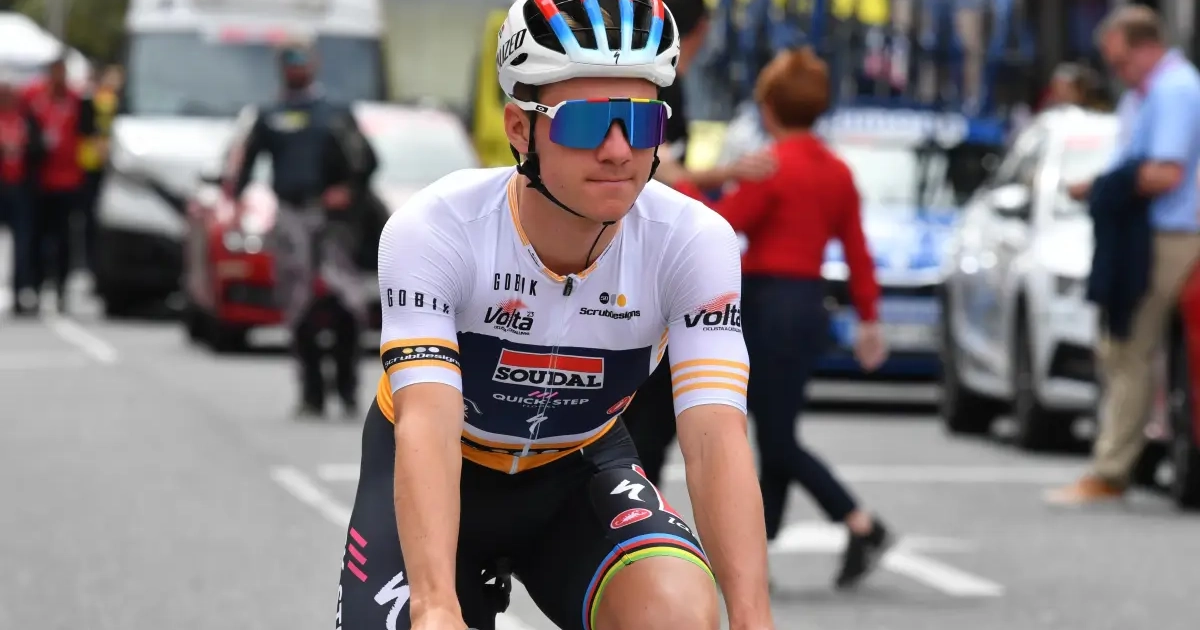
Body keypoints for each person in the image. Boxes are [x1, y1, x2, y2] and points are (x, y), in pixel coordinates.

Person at [335, 1, 775, 629]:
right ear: (520, 129)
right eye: (587, 123)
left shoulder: (692, 240)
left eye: (642, 121)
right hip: (442, 463)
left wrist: (754, 620)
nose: (619, 150)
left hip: (578, 470)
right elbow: (427, 423)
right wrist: (434, 605)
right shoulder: (437, 228)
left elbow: (716, 440)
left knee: (675, 614)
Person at [658, 46, 893, 589]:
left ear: (768, 109)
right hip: (809, 306)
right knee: (776, 429)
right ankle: (761, 548)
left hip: (765, 306)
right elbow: (857, 251)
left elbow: (719, 222)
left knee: (774, 437)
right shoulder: (837, 171)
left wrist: (676, 180)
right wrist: (869, 318)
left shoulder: (770, 166)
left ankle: (860, 523)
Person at [1048, 5, 1200, 506]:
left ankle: (1113, 469)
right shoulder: (1145, 94)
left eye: (1121, 61)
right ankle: (1121, 460)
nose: (1118, 72)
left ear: (1147, 46)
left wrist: (1102, 186)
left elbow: (1166, 172)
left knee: (1130, 345)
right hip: (1146, 230)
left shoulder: (1175, 90)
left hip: (1170, 233)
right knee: (1121, 347)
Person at [230, 39, 378, 420]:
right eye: (289, 60)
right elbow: (244, 168)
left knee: (347, 303)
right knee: (298, 306)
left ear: (315, 64)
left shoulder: (334, 114)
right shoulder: (269, 115)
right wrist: (235, 202)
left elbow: (367, 162)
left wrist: (347, 191)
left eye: (302, 59)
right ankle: (312, 393)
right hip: (290, 218)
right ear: (280, 67)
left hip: (332, 224)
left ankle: (347, 389)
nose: (296, 67)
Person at [21, 56, 93, 313]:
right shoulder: (33, 97)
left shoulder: (77, 100)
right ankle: (35, 286)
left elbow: (87, 133)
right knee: (37, 237)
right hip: (40, 181)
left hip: (69, 180)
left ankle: (61, 288)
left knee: (64, 239)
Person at [0, 71, 44, 316]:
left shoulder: (25, 119)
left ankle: (20, 292)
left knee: (23, 244)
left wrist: (25, 148)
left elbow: (39, 149)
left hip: (21, 189)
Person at [78, 64, 123, 276]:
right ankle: (87, 259)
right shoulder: (91, 100)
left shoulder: (120, 102)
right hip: (91, 163)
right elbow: (87, 128)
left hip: (112, 165)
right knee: (89, 214)